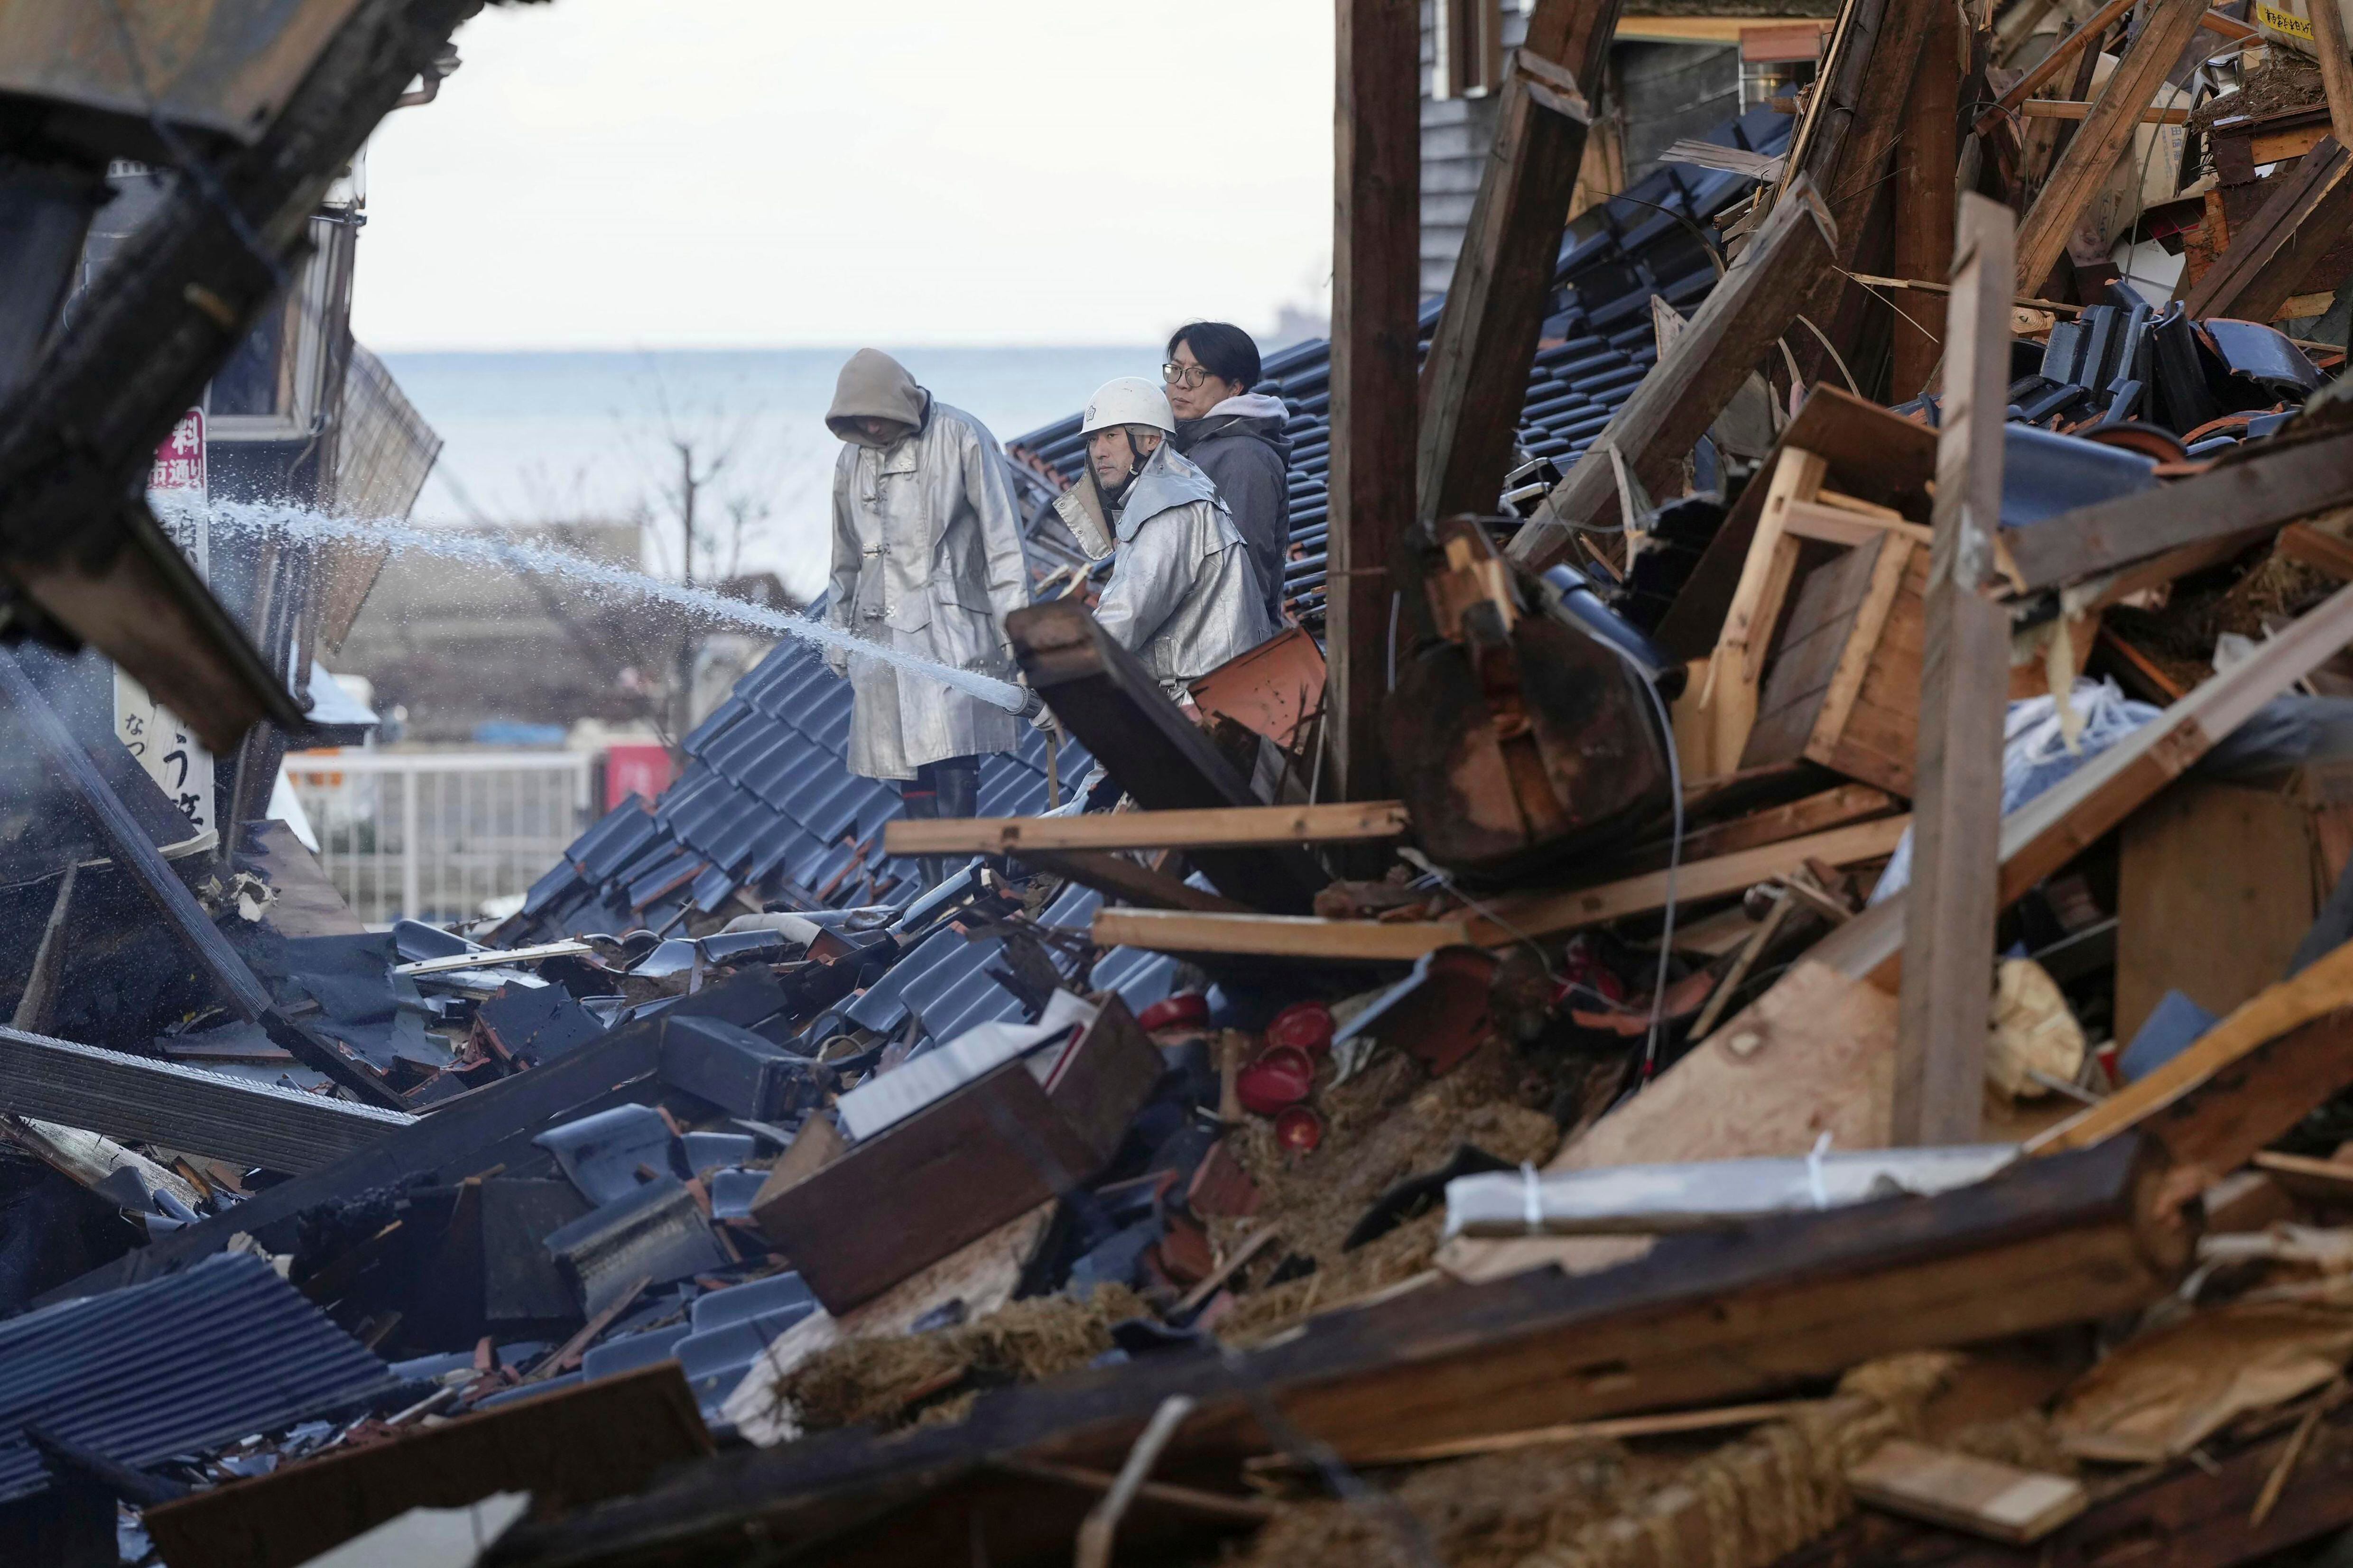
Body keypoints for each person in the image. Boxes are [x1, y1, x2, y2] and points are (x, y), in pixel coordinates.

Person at [822, 348, 1032, 886]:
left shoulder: (963, 437)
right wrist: (836, 628)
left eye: (878, 415)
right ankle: (932, 890)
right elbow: (845, 554)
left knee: (953, 755)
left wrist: (1020, 635)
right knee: (903, 760)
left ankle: (964, 885)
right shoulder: (853, 459)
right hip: (882, 632)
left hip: (953, 628)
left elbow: (1004, 542)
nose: (871, 427)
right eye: (859, 420)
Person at [1078, 376, 1274, 695]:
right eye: (1093, 440)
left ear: (1151, 440)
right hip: (1219, 690)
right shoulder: (1176, 488)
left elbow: (1128, 616)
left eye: (1112, 436)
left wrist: (1065, 678)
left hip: (1205, 700)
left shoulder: (1168, 509)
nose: (1099, 451)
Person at [1164, 322, 1290, 627]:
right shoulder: (1188, 443)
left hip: (1222, 652)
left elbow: (1242, 579)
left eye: (1198, 373)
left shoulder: (1245, 458)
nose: (1182, 383)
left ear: (1235, 388)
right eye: (1176, 369)